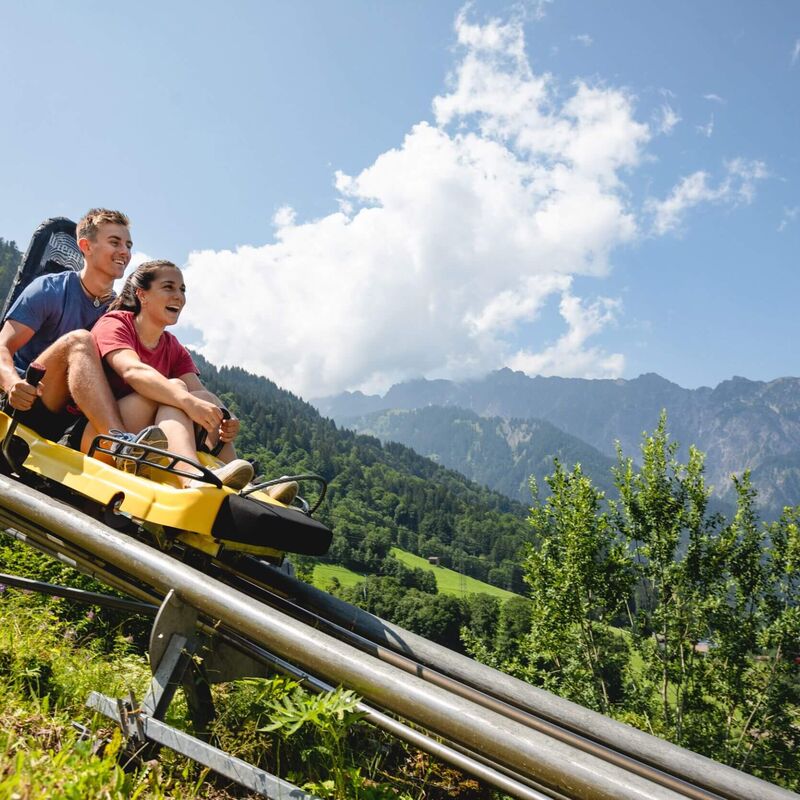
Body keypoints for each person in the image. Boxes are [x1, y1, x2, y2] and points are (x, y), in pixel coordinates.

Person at [0, 209, 167, 468]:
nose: (125, 251)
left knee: (156, 388)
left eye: (128, 245)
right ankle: (119, 443)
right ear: (86, 246)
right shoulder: (50, 290)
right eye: (115, 242)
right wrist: (12, 383)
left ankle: (191, 471)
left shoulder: (121, 315)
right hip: (29, 404)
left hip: (79, 420)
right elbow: (2, 346)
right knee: (80, 340)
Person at [84, 259, 258, 490]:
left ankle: (247, 485)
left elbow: (201, 395)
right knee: (177, 389)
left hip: (147, 435)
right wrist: (186, 400)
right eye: (168, 287)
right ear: (142, 295)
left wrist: (227, 417)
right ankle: (191, 476)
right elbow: (132, 371)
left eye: (182, 290)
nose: (179, 296)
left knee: (206, 400)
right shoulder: (116, 324)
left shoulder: (172, 346)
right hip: (105, 436)